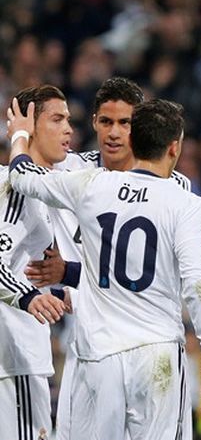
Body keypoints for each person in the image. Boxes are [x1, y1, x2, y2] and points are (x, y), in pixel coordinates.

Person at [6, 97, 201, 439]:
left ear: (134, 141)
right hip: (157, 353)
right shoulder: (184, 201)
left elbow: (22, 175)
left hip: (101, 355)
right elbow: (197, 283)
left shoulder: (92, 185)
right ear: (174, 147)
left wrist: (20, 135)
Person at [0, 85, 70, 440]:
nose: (68, 130)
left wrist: (62, 292)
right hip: (15, 357)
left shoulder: (41, 189)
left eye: (69, 120)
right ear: (30, 125)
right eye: (57, 119)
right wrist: (29, 297)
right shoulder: (18, 187)